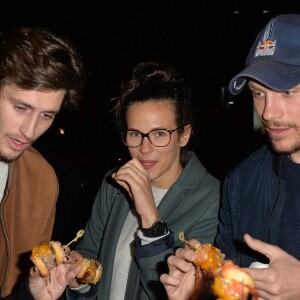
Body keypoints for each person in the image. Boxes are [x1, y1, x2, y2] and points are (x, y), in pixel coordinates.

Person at [161, 13, 300, 300]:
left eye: (288, 91)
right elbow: (232, 288)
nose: (268, 113)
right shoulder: (241, 181)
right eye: (258, 93)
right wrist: (200, 289)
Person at [65, 61, 220, 300]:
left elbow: (179, 292)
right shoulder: (114, 184)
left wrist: (150, 219)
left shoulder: (212, 198)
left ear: (184, 135)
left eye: (159, 134)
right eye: (135, 134)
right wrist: (79, 279)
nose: (144, 148)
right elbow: (90, 253)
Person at [0, 26, 84, 297]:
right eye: (21, 107)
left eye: (47, 115)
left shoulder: (43, 180)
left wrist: (30, 294)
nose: (30, 131)